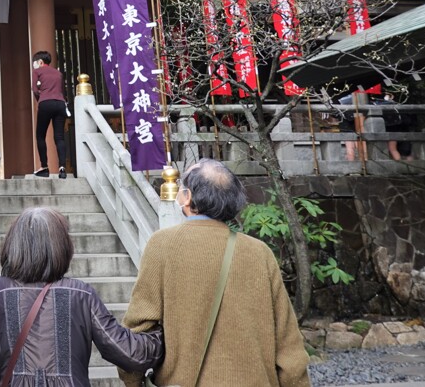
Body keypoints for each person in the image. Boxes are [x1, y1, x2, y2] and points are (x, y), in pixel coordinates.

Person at [118, 159, 311, 387]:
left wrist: (133, 381)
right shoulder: (260, 253)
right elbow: (288, 345)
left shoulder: (163, 245)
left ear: (187, 197)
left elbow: (138, 330)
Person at [0, 207, 163, 387]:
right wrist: (161, 335)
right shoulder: (80, 294)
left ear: (13, 245)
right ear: (61, 246)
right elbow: (126, 351)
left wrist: (19, 377)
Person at [31, 50, 68, 178]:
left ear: (40, 62)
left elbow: (34, 89)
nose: (33, 65)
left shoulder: (37, 72)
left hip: (46, 103)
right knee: (59, 137)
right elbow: (62, 91)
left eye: (34, 63)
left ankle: (44, 167)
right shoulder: (58, 73)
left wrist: (40, 100)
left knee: (40, 135)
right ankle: (62, 168)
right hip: (60, 103)